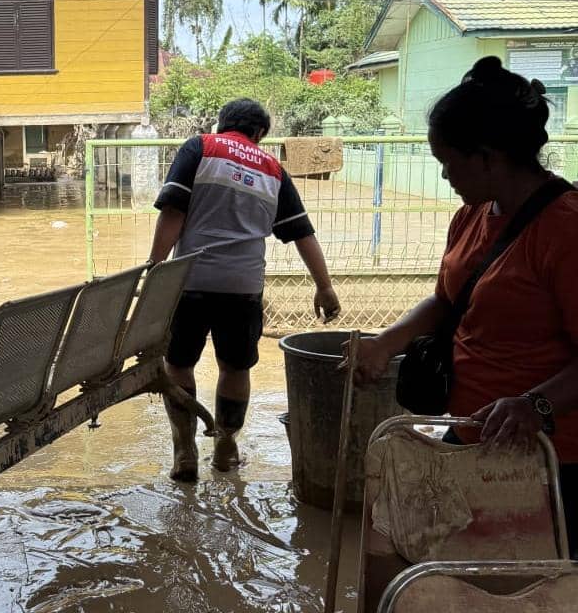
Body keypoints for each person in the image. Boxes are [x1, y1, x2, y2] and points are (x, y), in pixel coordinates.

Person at [346, 56, 578, 558]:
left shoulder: (565, 229)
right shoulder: (473, 215)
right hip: (475, 436)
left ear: (489, 157)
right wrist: (387, 341)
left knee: (530, 587)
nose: (445, 175)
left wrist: (534, 405)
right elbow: (446, 300)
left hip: (550, 460)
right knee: (422, 559)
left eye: (449, 162)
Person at [149, 98, 341, 482]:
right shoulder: (273, 169)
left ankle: (185, 450)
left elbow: (174, 213)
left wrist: (155, 270)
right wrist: (325, 287)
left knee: (178, 362)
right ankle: (224, 445)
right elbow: (302, 233)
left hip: (190, 282)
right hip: (243, 287)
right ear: (260, 135)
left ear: (223, 125)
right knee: (235, 367)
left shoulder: (200, 147)